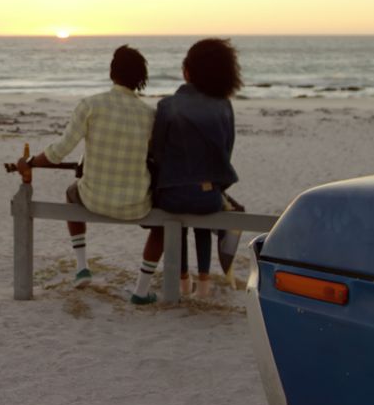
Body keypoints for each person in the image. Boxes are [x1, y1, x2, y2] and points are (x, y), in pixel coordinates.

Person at [18, 45, 154, 297]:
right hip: (137, 203)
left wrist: (31, 161)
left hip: (93, 199)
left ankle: (82, 267)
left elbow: (59, 151)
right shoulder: (150, 114)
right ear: (140, 78)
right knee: (162, 224)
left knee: (71, 192)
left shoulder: (91, 105)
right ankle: (141, 291)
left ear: (112, 73)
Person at [131, 38, 242, 303]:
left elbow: (157, 152)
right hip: (208, 196)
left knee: (177, 221)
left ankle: (183, 281)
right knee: (203, 220)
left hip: (172, 194)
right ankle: (204, 283)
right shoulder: (224, 106)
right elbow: (226, 152)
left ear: (188, 71)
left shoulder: (168, 106)